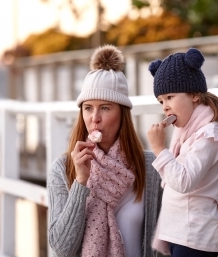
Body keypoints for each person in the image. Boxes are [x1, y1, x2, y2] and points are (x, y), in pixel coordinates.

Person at [47, 45, 162, 257]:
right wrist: (81, 182)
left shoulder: (149, 167)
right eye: (88, 108)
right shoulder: (63, 169)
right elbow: (61, 248)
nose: (94, 118)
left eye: (105, 108)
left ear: (122, 114)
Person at [147, 47, 218, 257]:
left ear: (194, 95)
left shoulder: (210, 134)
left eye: (170, 97)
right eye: (161, 101)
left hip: (194, 236)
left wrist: (159, 149)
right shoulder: (185, 131)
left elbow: (184, 181)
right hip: (177, 232)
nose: (164, 106)